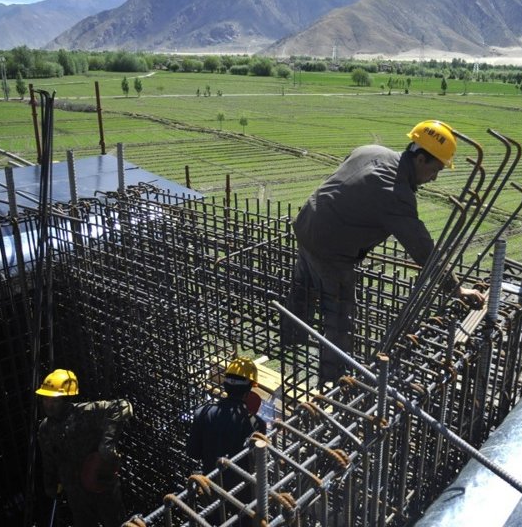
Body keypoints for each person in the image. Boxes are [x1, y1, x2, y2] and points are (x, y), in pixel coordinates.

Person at [283, 120, 486, 385]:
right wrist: (456, 289)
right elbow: (422, 248)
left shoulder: (372, 151)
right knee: (340, 316)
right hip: (331, 251)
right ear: (421, 159)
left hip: (307, 223)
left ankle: (290, 339)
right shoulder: (395, 193)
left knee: (303, 289)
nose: (434, 177)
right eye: (435, 169)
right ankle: (333, 382)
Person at [36, 369, 133, 527]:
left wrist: (107, 444)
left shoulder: (85, 412)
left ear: (66, 399)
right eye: (45, 399)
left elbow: (123, 406)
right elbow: (49, 460)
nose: (48, 405)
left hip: (100, 484)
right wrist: (51, 485)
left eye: (54, 401)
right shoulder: (45, 429)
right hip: (76, 493)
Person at [185, 357, 267, 475]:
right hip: (242, 485)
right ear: (249, 388)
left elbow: (193, 453)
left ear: (224, 385)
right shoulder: (257, 424)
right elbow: (260, 464)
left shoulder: (202, 412)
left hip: (210, 482)